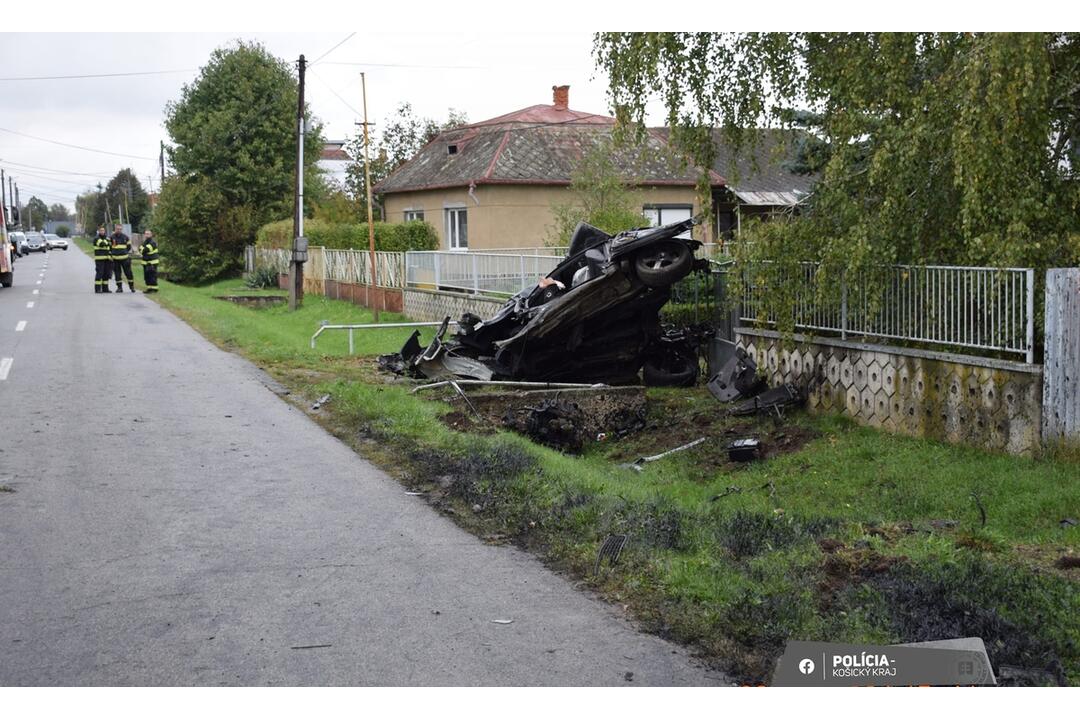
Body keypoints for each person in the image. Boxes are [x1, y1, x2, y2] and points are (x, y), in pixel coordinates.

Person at [110, 223, 135, 293]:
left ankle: (131, 286)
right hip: (115, 259)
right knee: (117, 274)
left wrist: (124, 252)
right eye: (117, 229)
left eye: (120, 229)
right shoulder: (111, 237)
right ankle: (119, 288)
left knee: (128, 273)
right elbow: (109, 247)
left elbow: (129, 247)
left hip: (125, 259)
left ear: (122, 229)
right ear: (115, 229)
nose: (119, 230)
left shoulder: (126, 237)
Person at [93, 226, 113, 293]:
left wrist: (107, 242)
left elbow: (110, 246)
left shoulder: (106, 238)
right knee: (99, 273)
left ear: (105, 231)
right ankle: (97, 289)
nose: (102, 231)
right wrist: (107, 241)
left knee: (106, 274)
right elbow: (102, 244)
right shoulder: (96, 238)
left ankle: (105, 289)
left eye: (103, 230)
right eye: (101, 230)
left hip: (107, 259)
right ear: (98, 231)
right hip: (99, 259)